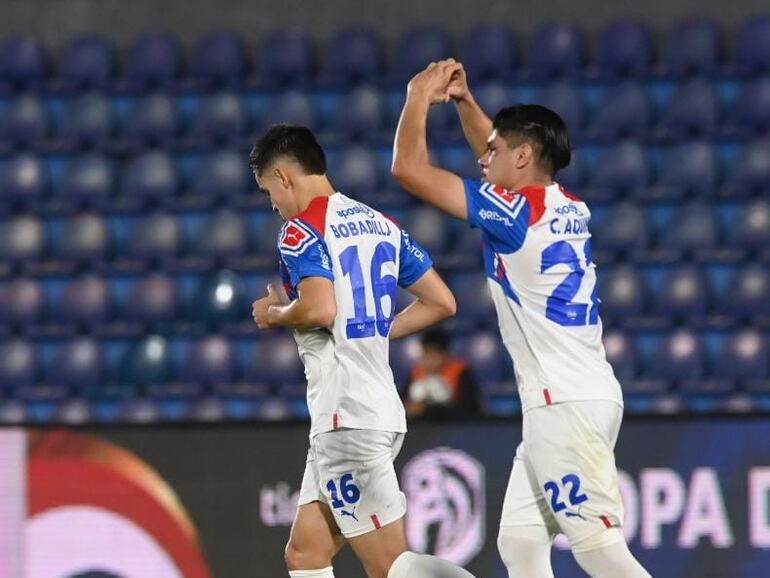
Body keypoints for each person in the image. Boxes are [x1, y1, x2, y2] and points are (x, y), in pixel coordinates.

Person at [391, 60, 652, 578]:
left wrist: (418, 96)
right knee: (520, 544)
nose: (483, 157)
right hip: (573, 395)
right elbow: (500, 157)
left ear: (524, 155)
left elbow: (408, 170)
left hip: (564, 404)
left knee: (599, 550)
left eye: (493, 150)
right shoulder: (564, 204)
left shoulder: (513, 215)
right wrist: (465, 102)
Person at [250, 124, 476, 578]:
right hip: (372, 410)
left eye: (267, 190)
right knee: (306, 553)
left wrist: (274, 313)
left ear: (284, 177)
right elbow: (442, 302)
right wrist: (376, 331)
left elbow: (318, 308)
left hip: (346, 416)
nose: (272, 204)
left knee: (390, 565)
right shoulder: (381, 225)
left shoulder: (300, 231)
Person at [404, 328, 481, 419]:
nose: (429, 361)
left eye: (433, 355)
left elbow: (470, 410)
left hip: (454, 428)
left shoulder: (461, 372)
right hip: (421, 429)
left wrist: (427, 409)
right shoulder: (416, 373)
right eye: (426, 354)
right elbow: (404, 402)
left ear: (446, 355)